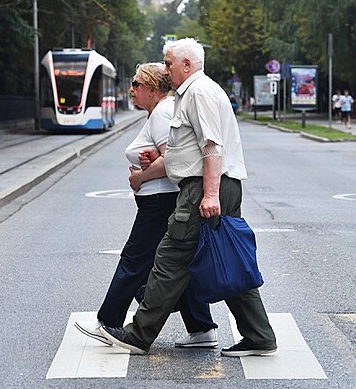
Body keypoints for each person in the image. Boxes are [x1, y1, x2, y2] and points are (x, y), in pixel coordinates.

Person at [100, 38, 278, 357]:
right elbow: (194, 145)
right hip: (213, 184)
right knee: (228, 258)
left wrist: (209, 194)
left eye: (169, 63)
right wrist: (166, 156)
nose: (165, 69)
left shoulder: (197, 92)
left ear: (186, 64)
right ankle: (259, 334)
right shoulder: (196, 91)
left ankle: (139, 334)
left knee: (170, 257)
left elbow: (211, 146)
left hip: (205, 186)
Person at [74, 62, 219, 349]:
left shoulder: (163, 112)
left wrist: (140, 177)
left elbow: (172, 160)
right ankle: (201, 328)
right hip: (159, 202)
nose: (132, 89)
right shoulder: (159, 112)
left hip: (159, 202)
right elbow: (166, 155)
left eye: (137, 84)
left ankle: (108, 320)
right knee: (172, 267)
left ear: (153, 89)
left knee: (133, 260)